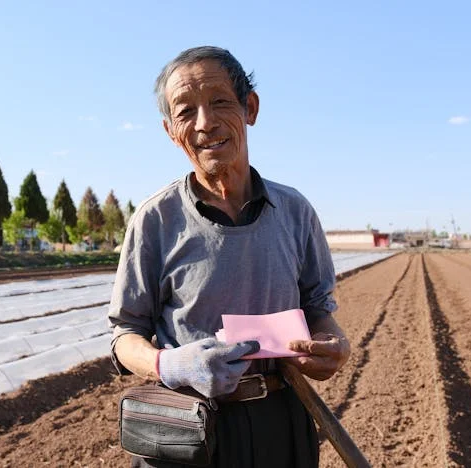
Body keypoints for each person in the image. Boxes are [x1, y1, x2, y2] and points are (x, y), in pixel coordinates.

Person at [108, 46, 351, 468]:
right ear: (170, 131)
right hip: (187, 429)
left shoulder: (295, 212)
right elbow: (124, 335)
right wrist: (170, 364)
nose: (205, 123)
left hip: (282, 420)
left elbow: (318, 310)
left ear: (250, 108)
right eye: (186, 112)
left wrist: (333, 345)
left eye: (220, 102)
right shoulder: (154, 220)